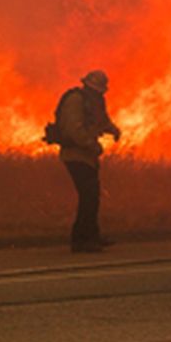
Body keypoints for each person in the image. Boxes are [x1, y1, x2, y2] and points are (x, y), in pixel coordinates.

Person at [56, 70, 122, 253]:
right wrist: (91, 145)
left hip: (88, 156)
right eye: (96, 90)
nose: (99, 93)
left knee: (93, 195)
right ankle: (80, 240)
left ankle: (92, 235)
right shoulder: (76, 100)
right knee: (88, 195)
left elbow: (102, 121)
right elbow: (73, 130)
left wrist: (114, 131)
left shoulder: (95, 101)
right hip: (75, 155)